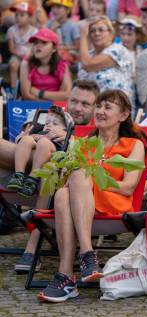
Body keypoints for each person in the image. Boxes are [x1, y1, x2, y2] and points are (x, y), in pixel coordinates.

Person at [37, 90, 147, 303]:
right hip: (82, 205)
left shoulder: (134, 145)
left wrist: (94, 177)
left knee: (79, 176)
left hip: (115, 204)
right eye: (98, 106)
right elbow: (67, 184)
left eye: (107, 107)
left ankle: (76, 265)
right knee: (61, 193)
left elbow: (127, 187)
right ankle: (72, 270)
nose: (100, 111)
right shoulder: (84, 144)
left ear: (123, 115)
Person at [11, 80, 100, 273]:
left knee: (51, 167)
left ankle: (32, 248)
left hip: (53, 174)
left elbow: (85, 164)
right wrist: (31, 137)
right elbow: (24, 136)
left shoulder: (94, 132)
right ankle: (19, 179)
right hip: (25, 165)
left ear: (95, 108)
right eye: (74, 101)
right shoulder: (53, 117)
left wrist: (69, 140)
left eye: (85, 104)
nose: (77, 108)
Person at [6, 106, 73, 197]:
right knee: (26, 139)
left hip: (52, 152)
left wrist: (66, 138)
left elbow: (71, 147)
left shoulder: (64, 136)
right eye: (47, 123)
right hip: (34, 152)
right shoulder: (40, 132)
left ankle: (33, 179)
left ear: (66, 129)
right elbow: (19, 140)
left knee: (44, 142)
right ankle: (18, 174)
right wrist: (25, 137)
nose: (49, 125)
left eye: (55, 123)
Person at [78, 16, 136, 106]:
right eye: (92, 31)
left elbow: (87, 64)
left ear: (111, 34)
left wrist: (82, 35)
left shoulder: (118, 50)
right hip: (91, 108)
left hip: (117, 108)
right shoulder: (87, 55)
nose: (96, 33)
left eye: (101, 30)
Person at [20, 28, 72, 101]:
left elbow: (67, 95)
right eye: (35, 43)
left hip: (56, 110)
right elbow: (26, 95)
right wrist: (54, 100)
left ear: (54, 48)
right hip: (32, 108)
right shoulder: (26, 63)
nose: (38, 45)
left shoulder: (62, 64)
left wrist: (39, 92)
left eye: (44, 42)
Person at [7, 1, 37, 89]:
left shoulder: (34, 31)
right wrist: (20, 55)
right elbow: (11, 49)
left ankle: (27, 89)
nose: (18, 18)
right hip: (16, 55)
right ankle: (14, 90)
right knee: (13, 65)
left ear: (30, 17)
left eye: (22, 15)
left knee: (30, 66)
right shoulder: (11, 30)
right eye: (16, 15)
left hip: (30, 56)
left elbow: (35, 48)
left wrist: (29, 56)